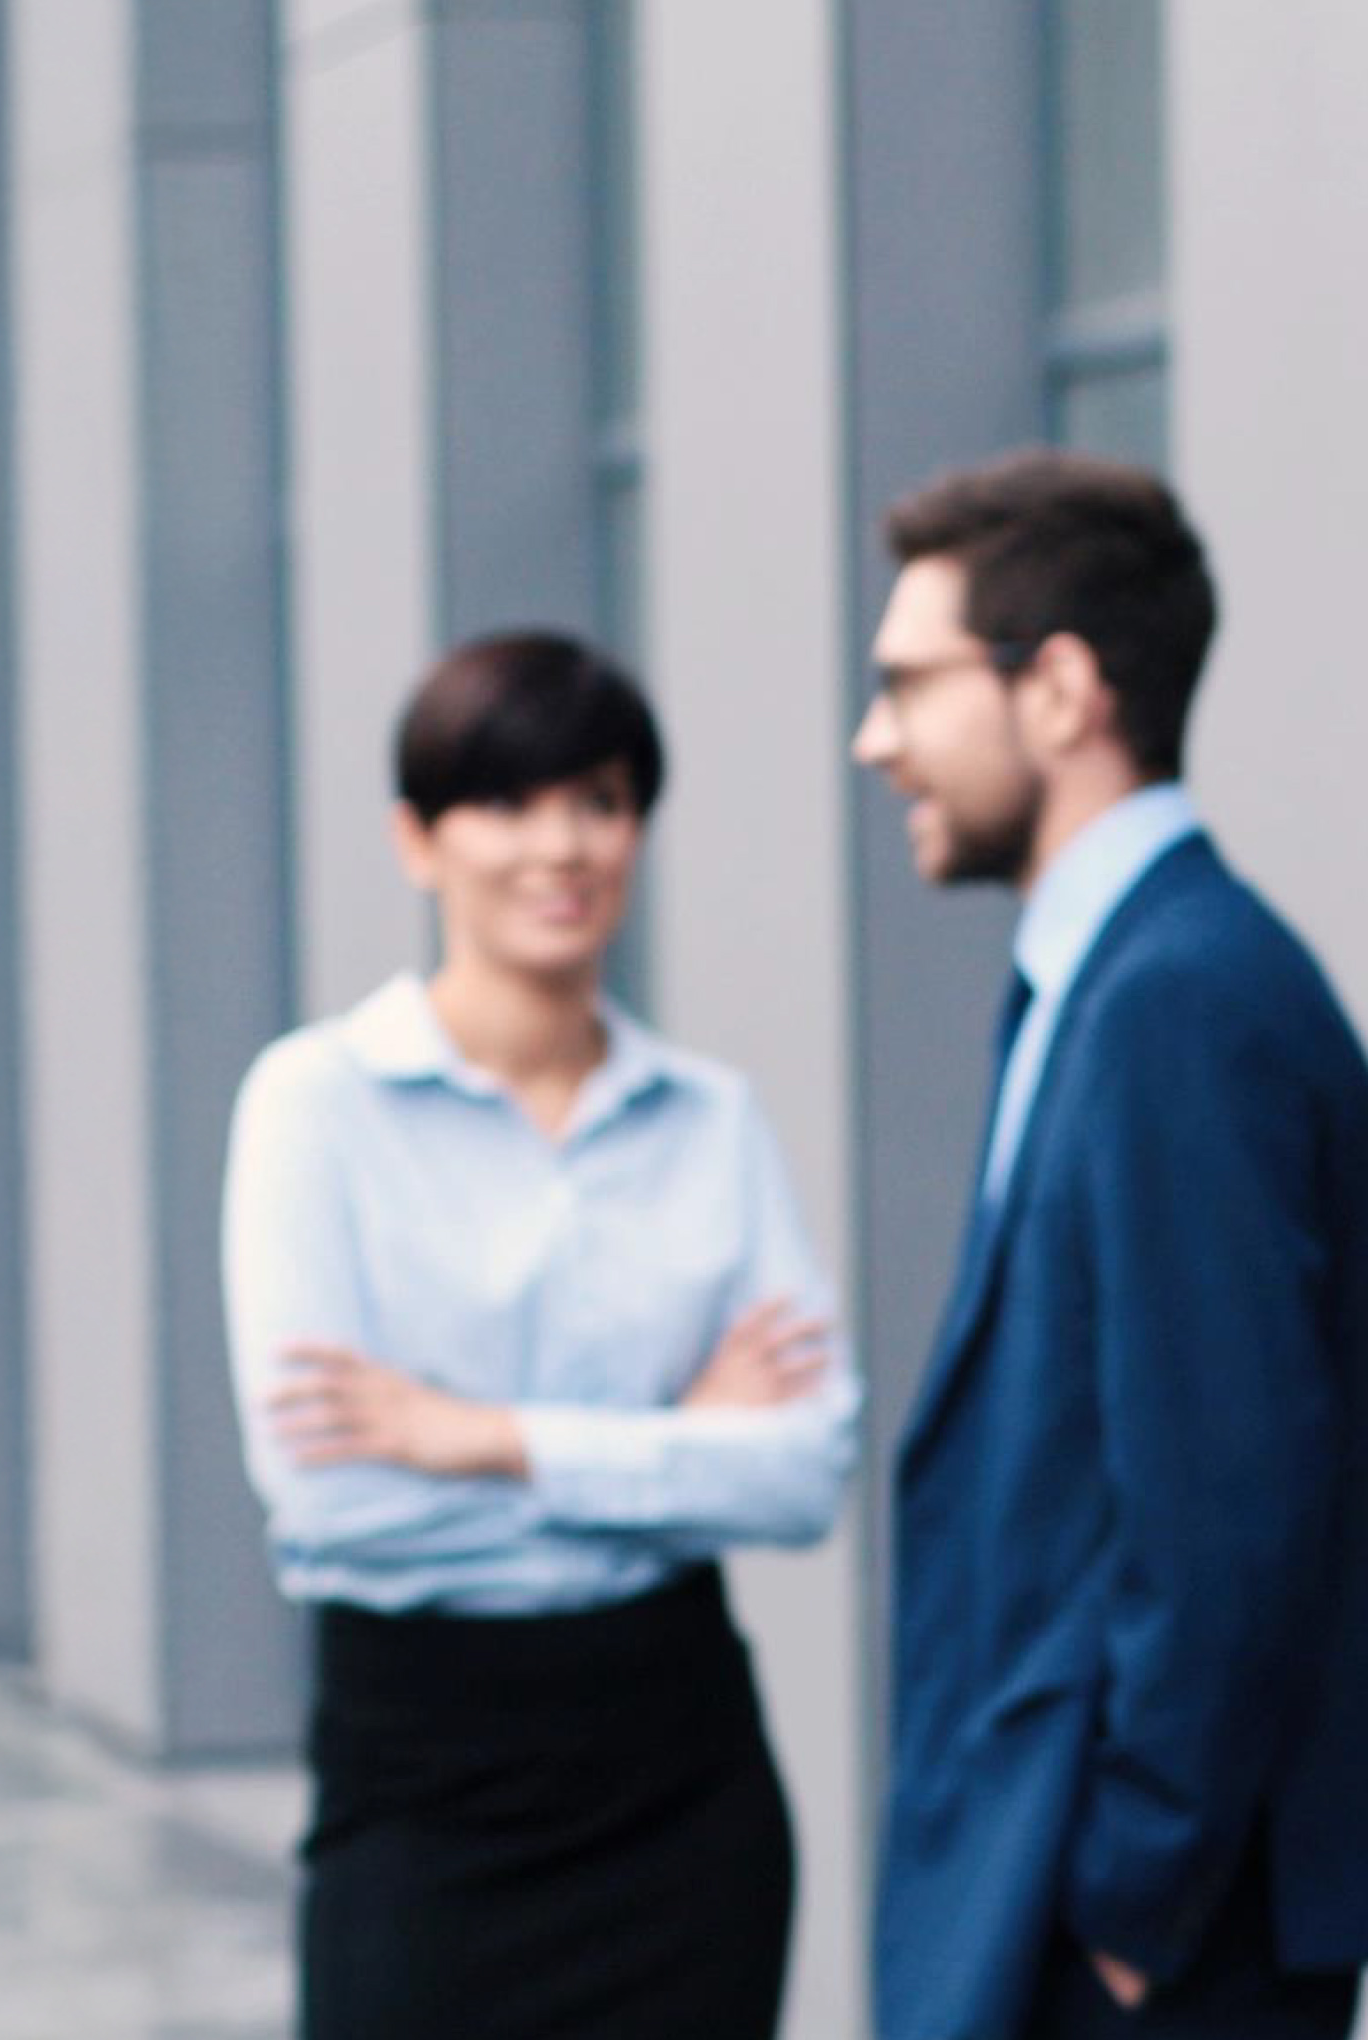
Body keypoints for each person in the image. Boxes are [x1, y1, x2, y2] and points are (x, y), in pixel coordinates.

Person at [857, 452, 1368, 2040]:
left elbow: (1227, 1503)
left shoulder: (1180, 1001)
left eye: (909, 683)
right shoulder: (1110, 981)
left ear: (1060, 692)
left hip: (1157, 1945)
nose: (876, 738)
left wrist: (1128, 1906)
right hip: (1090, 1908)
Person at [222, 630, 859, 2040]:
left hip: (681, 1792)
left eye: (603, 801)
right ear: (416, 840)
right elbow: (340, 1499)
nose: (561, 847)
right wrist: (675, 1446)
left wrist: (482, 1438)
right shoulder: (315, 1108)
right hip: (426, 1785)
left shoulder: (712, 1123)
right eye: (506, 803)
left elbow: (806, 1470)